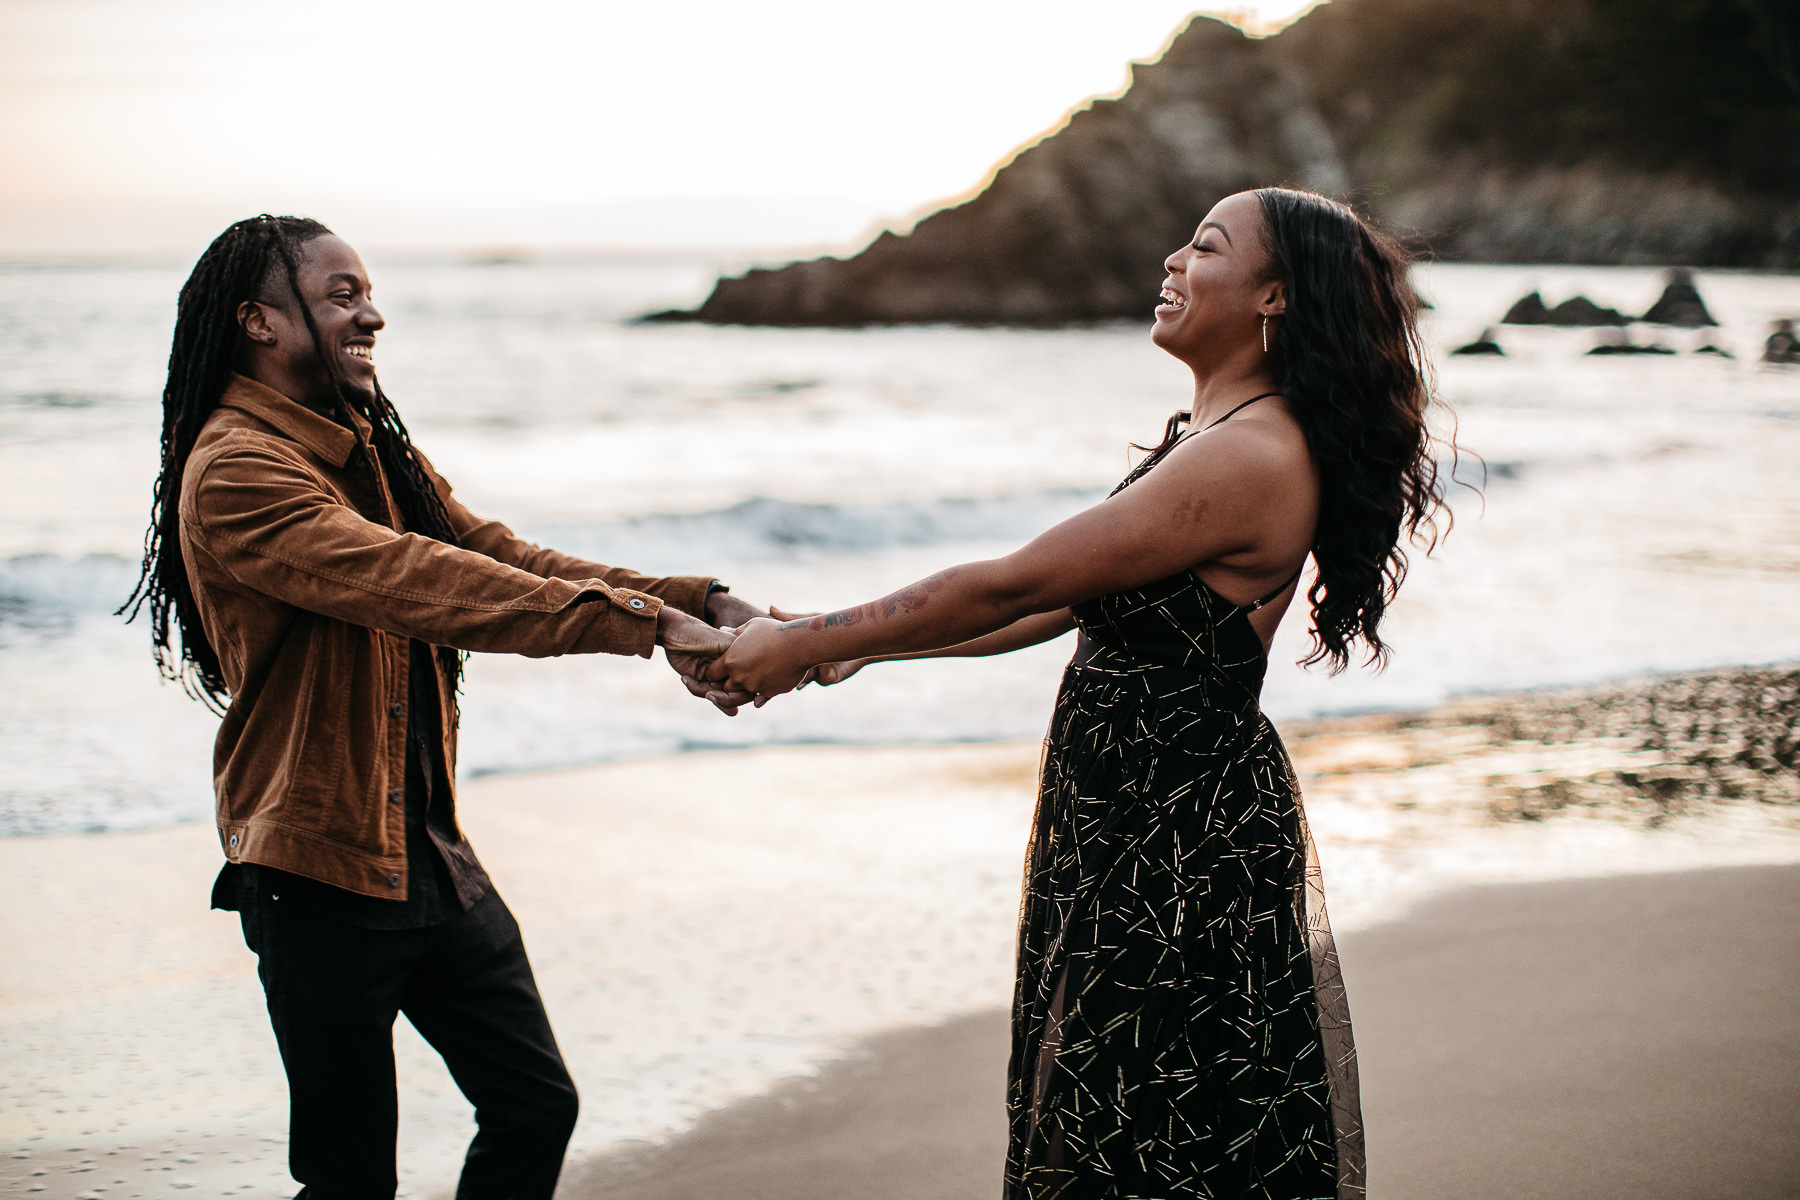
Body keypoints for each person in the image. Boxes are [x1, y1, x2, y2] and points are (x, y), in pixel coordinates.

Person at [703, 187, 1451, 1199]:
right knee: (1125, 1112)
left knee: (1147, 1125)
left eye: (1206, 247)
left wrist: (800, 641)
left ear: (1273, 297)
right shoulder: (1218, 433)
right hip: (1139, 821)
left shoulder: (1248, 453)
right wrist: (852, 649)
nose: (1173, 261)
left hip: (1176, 838)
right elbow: (1062, 611)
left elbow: (1019, 580)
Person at [119, 214, 768, 1200]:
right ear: (257, 321)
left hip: (427, 857)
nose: (371, 313)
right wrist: (643, 629)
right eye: (340, 295)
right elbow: (419, 581)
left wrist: (689, 600)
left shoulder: (370, 444)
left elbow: (496, 557)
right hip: (317, 872)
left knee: (533, 1106)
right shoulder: (238, 471)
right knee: (348, 1180)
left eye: (367, 291)